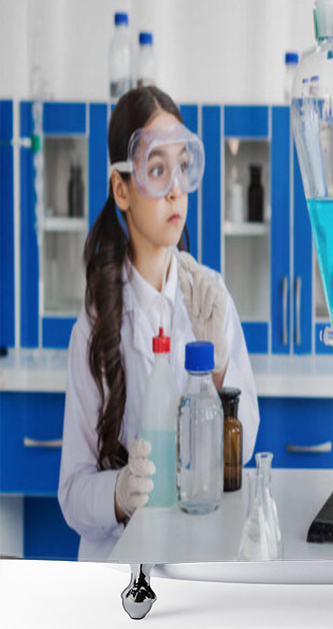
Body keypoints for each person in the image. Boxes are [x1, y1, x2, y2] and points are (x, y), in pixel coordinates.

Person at [58, 86, 259, 561]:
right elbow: (71, 491)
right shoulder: (94, 325)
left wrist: (218, 369)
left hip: (198, 556)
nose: (176, 188)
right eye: (156, 169)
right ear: (121, 190)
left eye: (183, 166)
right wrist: (118, 494)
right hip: (118, 568)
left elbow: (245, 445)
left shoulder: (209, 300)